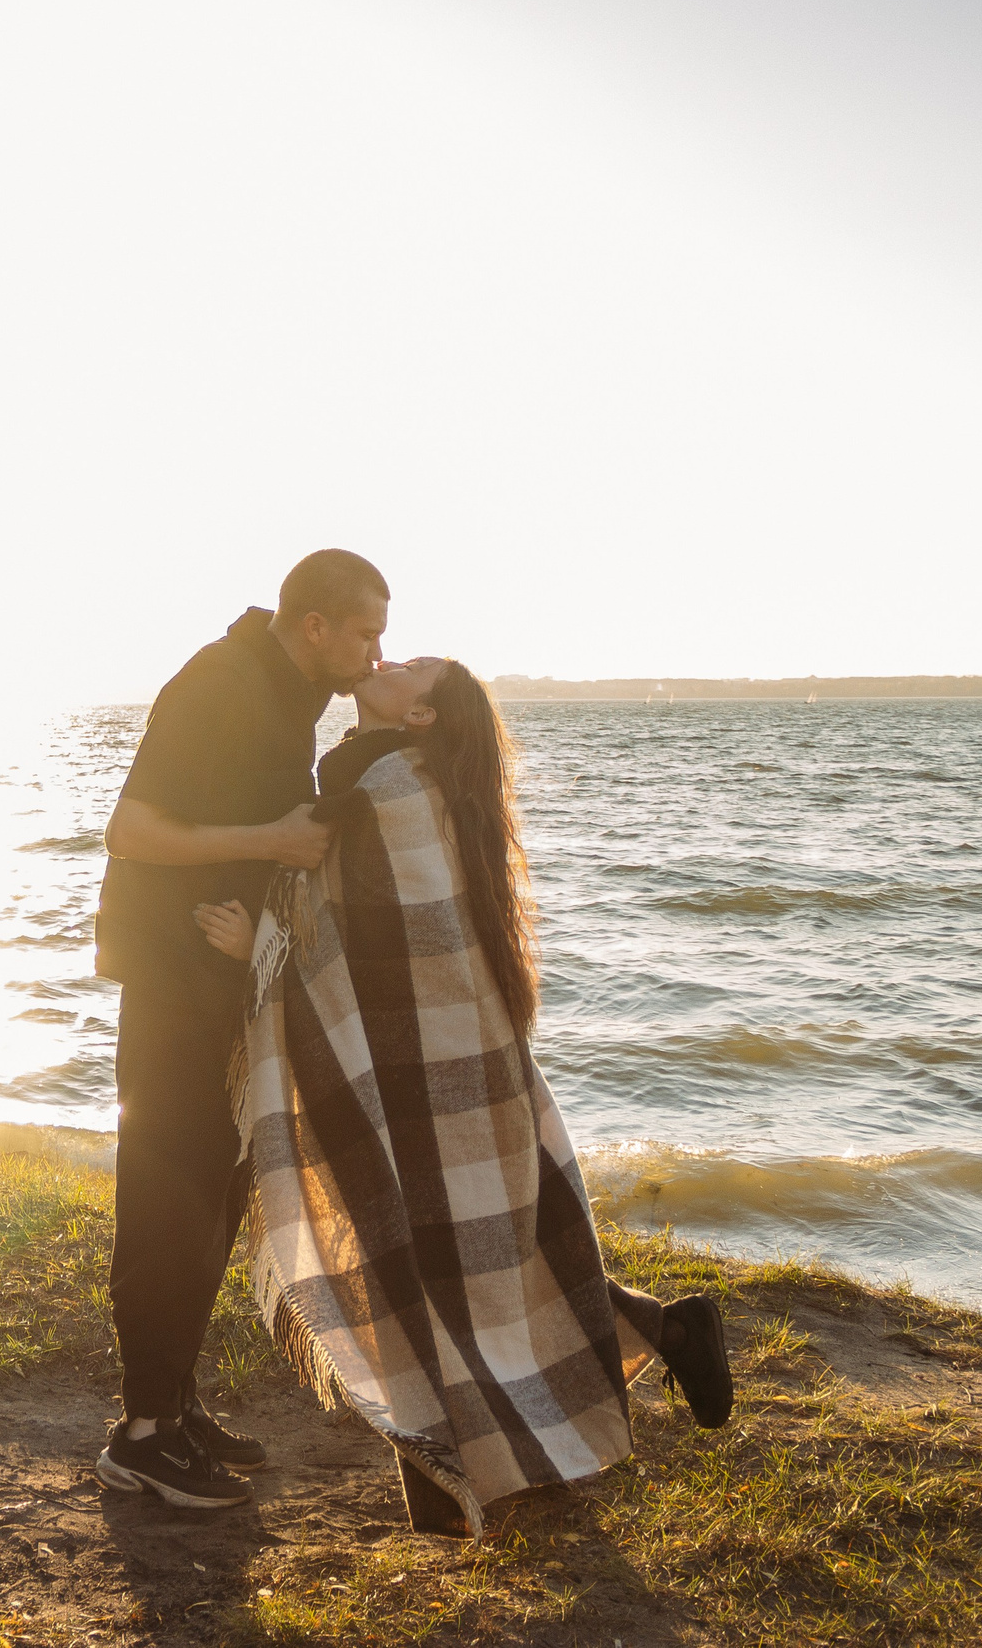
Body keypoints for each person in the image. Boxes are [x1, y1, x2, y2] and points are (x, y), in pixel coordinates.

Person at [198, 656, 734, 1536]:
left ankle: (451, 1479)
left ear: (418, 715)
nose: (387, 657)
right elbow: (367, 923)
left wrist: (255, 942)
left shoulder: (389, 792)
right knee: (490, 1258)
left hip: (434, 1061)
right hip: (455, 1052)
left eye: (412, 665)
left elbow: (351, 931)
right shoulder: (397, 781)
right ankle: (663, 1335)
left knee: (432, 1257)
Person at [90, 549, 391, 1510]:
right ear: (316, 628)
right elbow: (130, 828)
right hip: (173, 979)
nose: (378, 654)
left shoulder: (291, 691)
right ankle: (140, 1436)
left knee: (214, 1201)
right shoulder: (217, 684)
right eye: (367, 633)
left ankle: (172, 1405)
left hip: (226, 979)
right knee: (165, 1197)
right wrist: (266, 843)